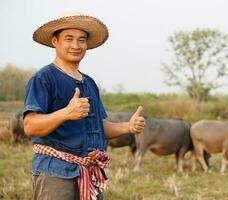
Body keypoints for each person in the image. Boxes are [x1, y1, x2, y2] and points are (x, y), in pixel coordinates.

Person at [23, 11, 145, 200]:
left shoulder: (89, 83)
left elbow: (98, 126)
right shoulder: (43, 78)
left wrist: (127, 127)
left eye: (81, 40)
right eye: (69, 39)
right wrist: (65, 113)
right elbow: (30, 126)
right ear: (55, 41)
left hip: (90, 172)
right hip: (56, 174)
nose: (75, 45)